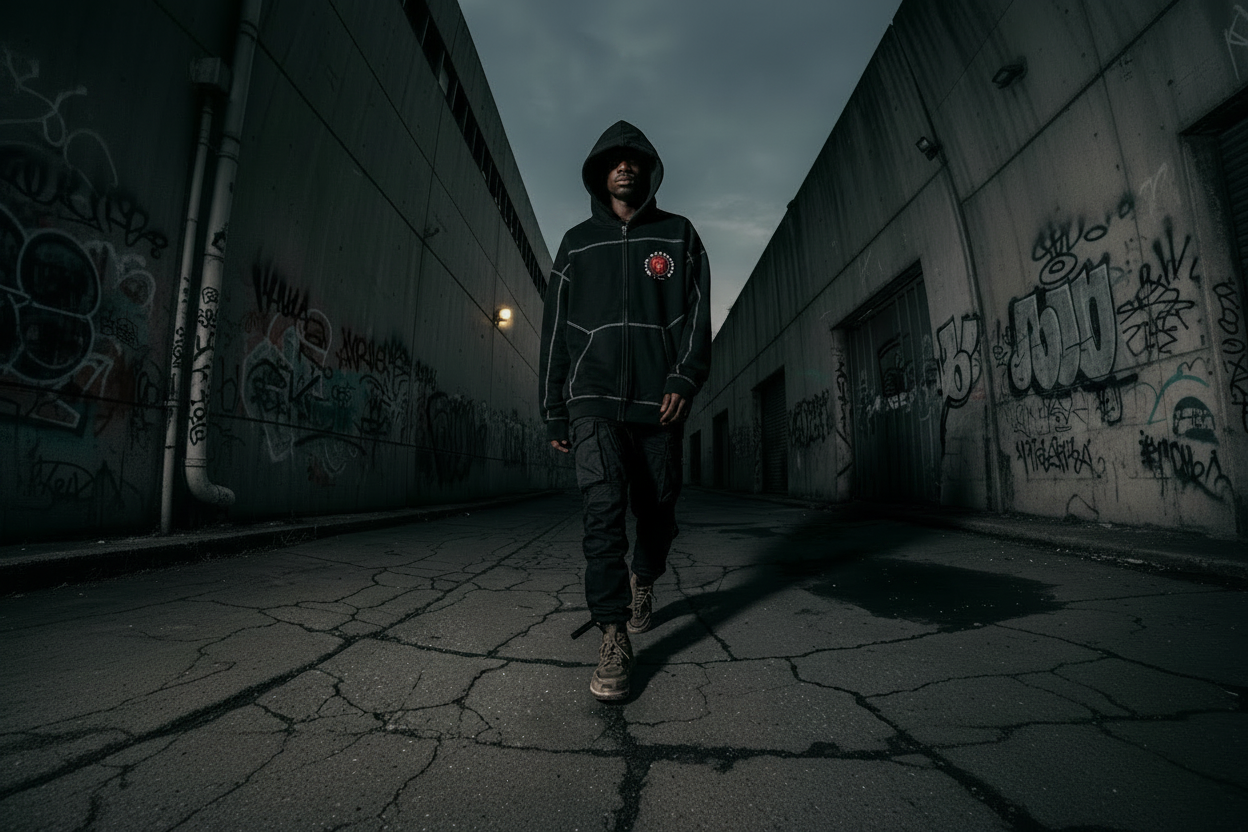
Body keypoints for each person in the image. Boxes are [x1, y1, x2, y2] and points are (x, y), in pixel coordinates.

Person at [539, 120, 712, 702]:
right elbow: (554, 332)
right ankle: (613, 632)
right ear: (599, 172)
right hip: (592, 401)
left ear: (648, 170)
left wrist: (685, 377)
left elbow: (696, 316)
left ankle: (644, 580)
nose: (624, 167)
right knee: (603, 512)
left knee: (658, 510)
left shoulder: (678, 235)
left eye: (634, 160)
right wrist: (553, 409)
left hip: (657, 403)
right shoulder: (575, 243)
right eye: (613, 160)